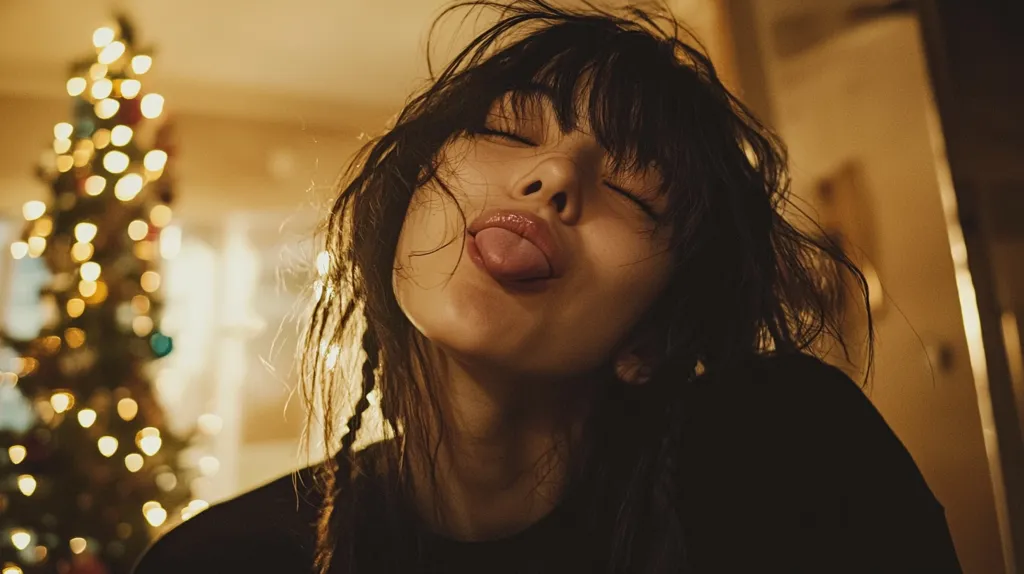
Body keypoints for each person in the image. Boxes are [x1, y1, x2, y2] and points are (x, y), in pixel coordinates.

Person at [132, 1, 963, 572]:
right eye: (506, 128)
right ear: (400, 211)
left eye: (635, 189)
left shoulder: (788, 463)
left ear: (654, 337)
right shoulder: (220, 561)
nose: (556, 172)